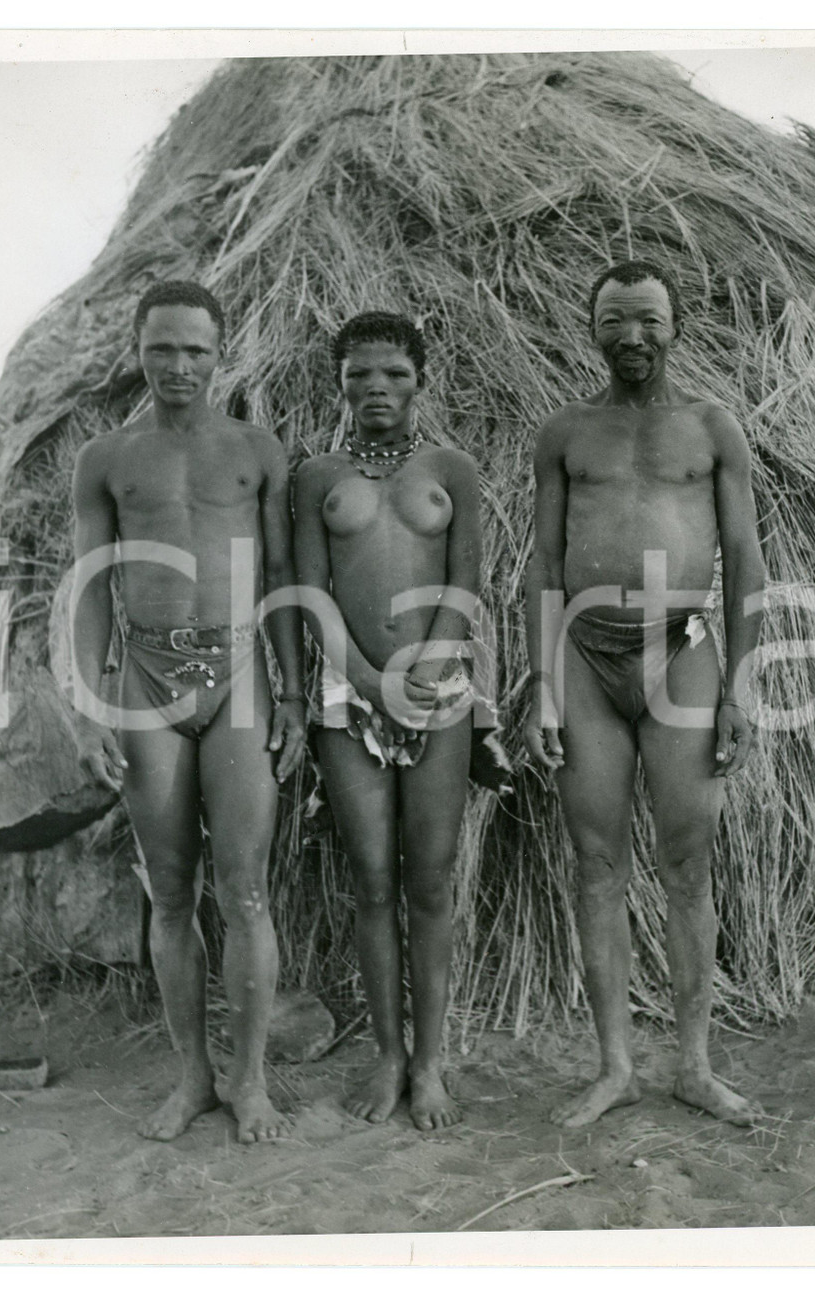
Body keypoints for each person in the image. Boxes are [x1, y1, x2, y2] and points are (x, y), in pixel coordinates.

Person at [524, 260, 765, 1128]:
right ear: (592, 328)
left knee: (687, 860)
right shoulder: (564, 432)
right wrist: (546, 690)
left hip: (682, 651)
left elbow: (744, 558)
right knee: (596, 864)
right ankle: (616, 1066)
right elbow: (544, 563)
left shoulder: (711, 429)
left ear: (677, 326)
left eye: (650, 320)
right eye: (617, 319)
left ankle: (695, 1065)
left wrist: (738, 687)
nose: (634, 336)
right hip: (586, 659)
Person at [70, 280, 305, 1143]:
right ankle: (193, 1079)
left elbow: (282, 581)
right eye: (162, 348)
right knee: (171, 893)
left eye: (195, 350)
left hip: (239, 670)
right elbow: (91, 585)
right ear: (138, 348)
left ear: (221, 352)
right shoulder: (107, 459)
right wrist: (90, 700)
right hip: (143, 676)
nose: (179, 366)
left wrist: (289, 691)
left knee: (245, 892)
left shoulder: (254, 451)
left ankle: (250, 1084)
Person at [293, 312, 481, 1130]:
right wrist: (367, 678)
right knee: (372, 879)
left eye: (394, 375)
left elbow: (467, 583)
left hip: (438, 681)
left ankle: (432, 1062)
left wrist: (427, 669)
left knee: (430, 880)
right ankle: (387, 1054)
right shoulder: (315, 477)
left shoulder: (452, 469)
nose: (377, 389)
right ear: (338, 383)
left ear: (420, 380)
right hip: (347, 691)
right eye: (360, 375)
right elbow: (310, 593)